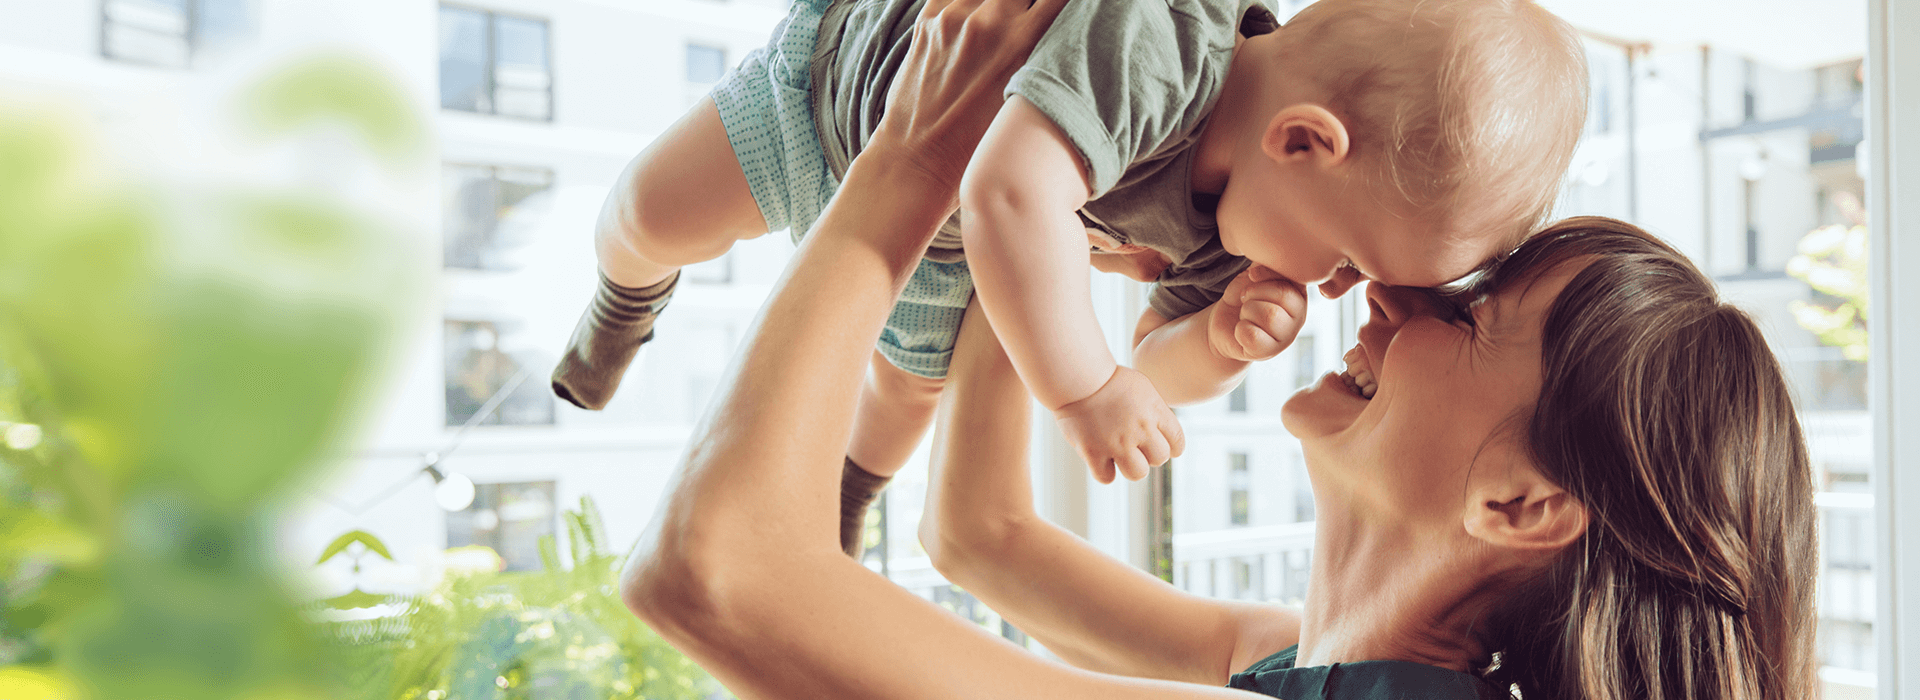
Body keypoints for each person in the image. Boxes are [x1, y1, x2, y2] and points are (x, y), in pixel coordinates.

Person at [616, 1, 1818, 697]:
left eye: (1468, 313)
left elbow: (713, 571)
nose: (1382, 307)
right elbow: (979, 538)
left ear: (1520, 501)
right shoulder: (1298, 659)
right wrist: (1048, 196)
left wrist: (911, 160)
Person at [554, 0, 1592, 557]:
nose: (1329, 291)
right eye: (1352, 261)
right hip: (834, 106)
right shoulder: (1167, 34)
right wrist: (1083, 390)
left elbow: (1151, 363)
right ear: (1304, 142)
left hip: (945, 245)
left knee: (908, 391)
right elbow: (1012, 188)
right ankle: (623, 299)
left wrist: (1215, 346)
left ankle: (849, 490)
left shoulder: (1233, 236)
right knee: (650, 212)